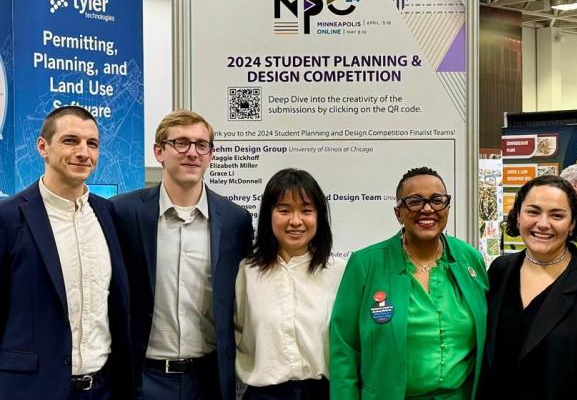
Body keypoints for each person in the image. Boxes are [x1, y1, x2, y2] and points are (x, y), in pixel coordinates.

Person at [112, 110, 254, 400]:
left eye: (202, 145)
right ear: (159, 151)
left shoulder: (235, 221)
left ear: (211, 155)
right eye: (181, 143)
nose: (192, 152)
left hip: (208, 381)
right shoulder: (122, 213)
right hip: (142, 379)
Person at [0, 106, 133, 399]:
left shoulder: (108, 213)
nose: (83, 152)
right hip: (32, 390)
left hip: (103, 388)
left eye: (92, 143)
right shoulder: (8, 218)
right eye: (70, 141)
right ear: (42, 147)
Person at [330, 166, 488, 399]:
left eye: (437, 200)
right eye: (414, 201)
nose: (427, 209)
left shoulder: (469, 259)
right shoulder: (365, 264)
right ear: (398, 213)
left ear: (447, 208)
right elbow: (344, 348)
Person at [478, 175, 577, 400]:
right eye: (533, 212)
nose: (543, 224)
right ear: (517, 217)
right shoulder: (500, 271)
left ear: (572, 223)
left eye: (557, 215)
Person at [235, 168, 344, 399]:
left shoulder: (338, 271)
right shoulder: (247, 272)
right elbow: (233, 334)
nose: (295, 221)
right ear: (268, 215)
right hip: (263, 395)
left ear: (319, 217)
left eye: (306, 211)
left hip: (322, 392)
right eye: (284, 210)